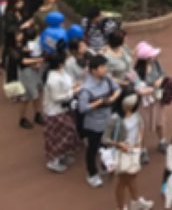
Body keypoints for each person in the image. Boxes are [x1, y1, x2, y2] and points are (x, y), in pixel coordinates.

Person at [78, 54, 122, 188]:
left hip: (107, 120)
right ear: (94, 70)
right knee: (92, 149)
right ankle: (92, 174)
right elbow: (82, 108)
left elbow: (118, 89)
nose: (105, 69)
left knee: (106, 145)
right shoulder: (86, 89)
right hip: (94, 124)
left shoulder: (107, 79)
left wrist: (112, 98)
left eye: (105, 66)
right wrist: (99, 102)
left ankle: (105, 164)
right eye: (102, 67)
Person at [105, 92, 155, 210]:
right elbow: (105, 139)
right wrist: (119, 144)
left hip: (134, 151)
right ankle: (121, 207)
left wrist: (139, 144)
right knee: (122, 181)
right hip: (121, 153)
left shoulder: (137, 116)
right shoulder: (115, 119)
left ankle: (136, 201)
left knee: (133, 177)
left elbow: (140, 130)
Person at [42, 49, 80, 173]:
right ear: (59, 64)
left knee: (66, 133)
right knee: (58, 135)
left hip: (63, 109)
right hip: (54, 112)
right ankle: (53, 161)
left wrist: (73, 86)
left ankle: (61, 156)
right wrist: (72, 91)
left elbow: (66, 85)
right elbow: (57, 97)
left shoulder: (61, 73)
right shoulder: (52, 79)